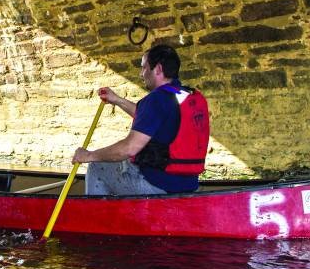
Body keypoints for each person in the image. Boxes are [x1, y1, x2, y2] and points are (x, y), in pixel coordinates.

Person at [72, 44, 210, 195]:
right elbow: (148, 117)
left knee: (97, 167)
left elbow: (129, 148)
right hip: (189, 183)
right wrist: (117, 100)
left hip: (158, 185)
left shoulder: (156, 100)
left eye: (144, 68)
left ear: (157, 69)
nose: (141, 74)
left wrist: (89, 155)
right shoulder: (184, 95)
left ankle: (96, 217)